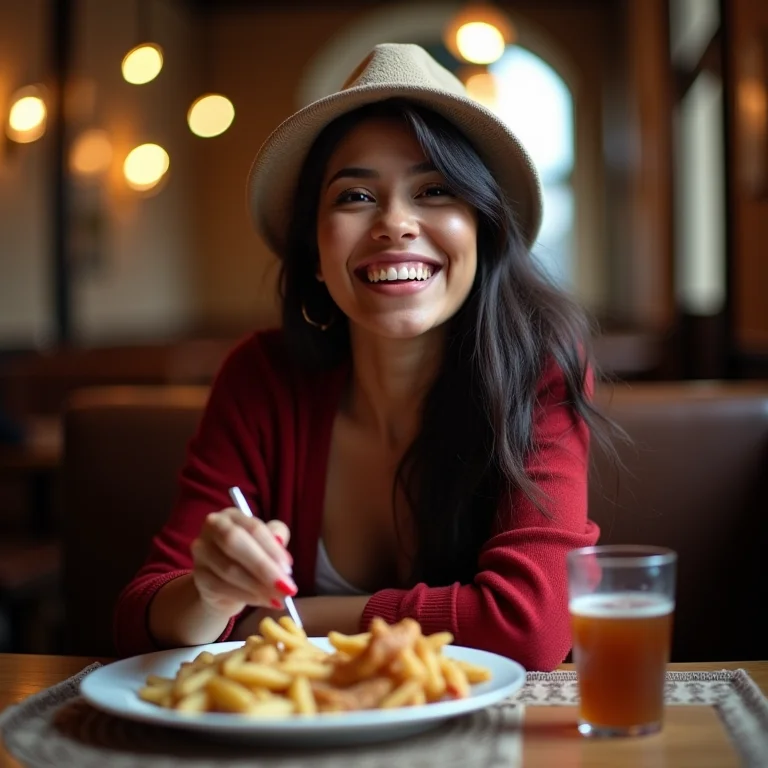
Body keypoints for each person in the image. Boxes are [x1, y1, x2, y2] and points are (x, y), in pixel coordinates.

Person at [114, 43, 614, 671]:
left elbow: (533, 627)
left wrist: (290, 620)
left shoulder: (541, 367)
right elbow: (143, 616)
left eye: (434, 190)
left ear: (482, 232)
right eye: (354, 197)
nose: (395, 224)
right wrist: (209, 595)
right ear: (316, 254)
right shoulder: (261, 377)